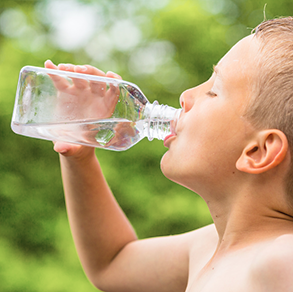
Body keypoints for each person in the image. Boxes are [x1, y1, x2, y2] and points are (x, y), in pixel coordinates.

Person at [45, 17, 293, 292]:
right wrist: (80, 157)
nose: (185, 96)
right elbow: (111, 262)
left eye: (213, 91)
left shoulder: (281, 258)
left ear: (258, 151)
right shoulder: (205, 248)